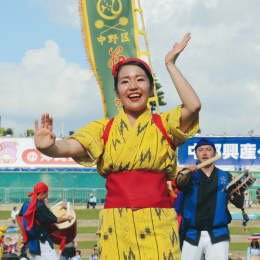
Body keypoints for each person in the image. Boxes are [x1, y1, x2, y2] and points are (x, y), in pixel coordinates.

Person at [34, 33, 201, 259]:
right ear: (117, 93)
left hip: (159, 223)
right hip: (115, 224)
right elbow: (71, 146)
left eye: (140, 79)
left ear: (151, 88)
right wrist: (49, 148)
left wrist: (169, 64)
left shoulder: (165, 125)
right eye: (125, 81)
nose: (133, 86)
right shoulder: (104, 129)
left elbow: (193, 105)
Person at [176, 138, 244, 260]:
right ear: (196, 153)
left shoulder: (225, 176)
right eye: (200, 150)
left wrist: (240, 190)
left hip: (218, 234)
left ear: (215, 153)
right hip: (192, 234)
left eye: (208, 149)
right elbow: (180, 183)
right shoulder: (188, 174)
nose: (204, 153)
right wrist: (186, 173)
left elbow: (239, 204)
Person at [19, 182, 74, 260]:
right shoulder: (41, 208)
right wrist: (67, 218)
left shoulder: (26, 205)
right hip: (42, 245)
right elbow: (56, 220)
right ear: (41, 193)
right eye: (46, 194)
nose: (46, 196)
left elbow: (19, 217)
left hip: (32, 244)